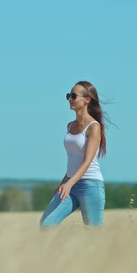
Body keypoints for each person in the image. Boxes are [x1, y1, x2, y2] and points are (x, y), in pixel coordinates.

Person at [40, 81, 107, 228]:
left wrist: (69, 183)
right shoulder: (70, 126)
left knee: (93, 234)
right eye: (68, 95)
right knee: (46, 224)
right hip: (70, 184)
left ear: (87, 100)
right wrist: (63, 183)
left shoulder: (93, 127)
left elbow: (86, 162)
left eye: (73, 96)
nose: (70, 99)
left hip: (90, 185)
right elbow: (73, 160)